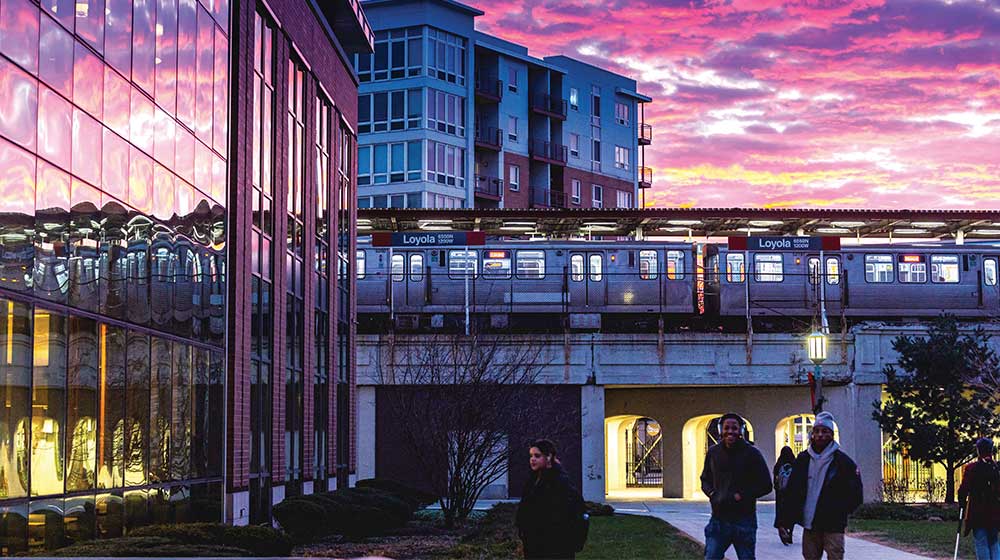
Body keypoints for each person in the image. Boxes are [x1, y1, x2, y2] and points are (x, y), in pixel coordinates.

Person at [775, 411, 863, 560]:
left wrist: (840, 511)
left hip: (833, 526)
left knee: (835, 556)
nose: (820, 435)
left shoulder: (843, 463)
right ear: (812, 434)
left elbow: (856, 494)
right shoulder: (802, 460)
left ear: (831, 434)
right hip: (810, 525)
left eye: (825, 431)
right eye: (817, 431)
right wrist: (783, 520)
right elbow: (791, 492)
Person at [700, 413, 773, 560]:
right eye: (727, 428)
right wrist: (713, 494)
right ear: (721, 430)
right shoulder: (714, 453)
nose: (730, 431)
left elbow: (766, 485)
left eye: (734, 428)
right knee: (711, 556)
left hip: (744, 520)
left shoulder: (752, 454)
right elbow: (705, 479)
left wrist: (742, 495)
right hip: (719, 519)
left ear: (741, 430)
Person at [515, 439, 584, 559]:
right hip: (534, 544)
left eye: (537, 456)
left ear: (548, 457)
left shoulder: (559, 481)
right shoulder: (533, 479)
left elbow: (573, 512)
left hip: (554, 546)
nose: (532, 459)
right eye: (531, 456)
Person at [958, 438, 1000, 560]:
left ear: (978, 450)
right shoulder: (996, 468)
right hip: (995, 512)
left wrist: (962, 503)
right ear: (991, 450)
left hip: (978, 512)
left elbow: (963, 490)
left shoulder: (972, 468)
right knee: (994, 542)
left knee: (981, 542)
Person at [774, 445, 797, 545]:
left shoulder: (779, 464)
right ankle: (790, 533)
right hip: (791, 494)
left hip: (780, 494)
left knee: (781, 513)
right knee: (791, 514)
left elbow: (775, 478)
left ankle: (782, 529)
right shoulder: (794, 463)